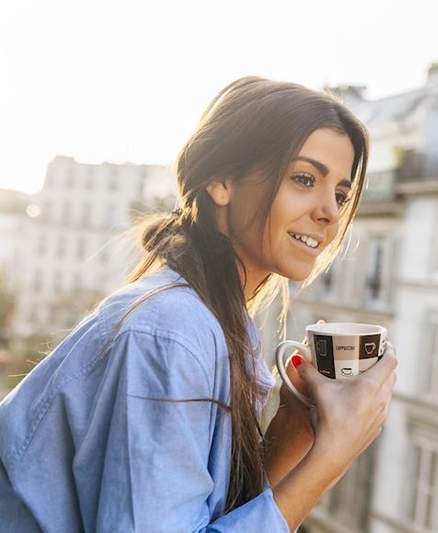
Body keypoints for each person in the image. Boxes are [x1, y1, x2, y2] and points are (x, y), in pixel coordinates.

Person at [0, 76, 397, 532]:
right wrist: (334, 453)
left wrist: (298, 426)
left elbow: (205, 519)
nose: (330, 211)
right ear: (221, 180)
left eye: (341, 195)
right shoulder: (172, 332)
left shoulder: (215, 323)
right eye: (304, 179)